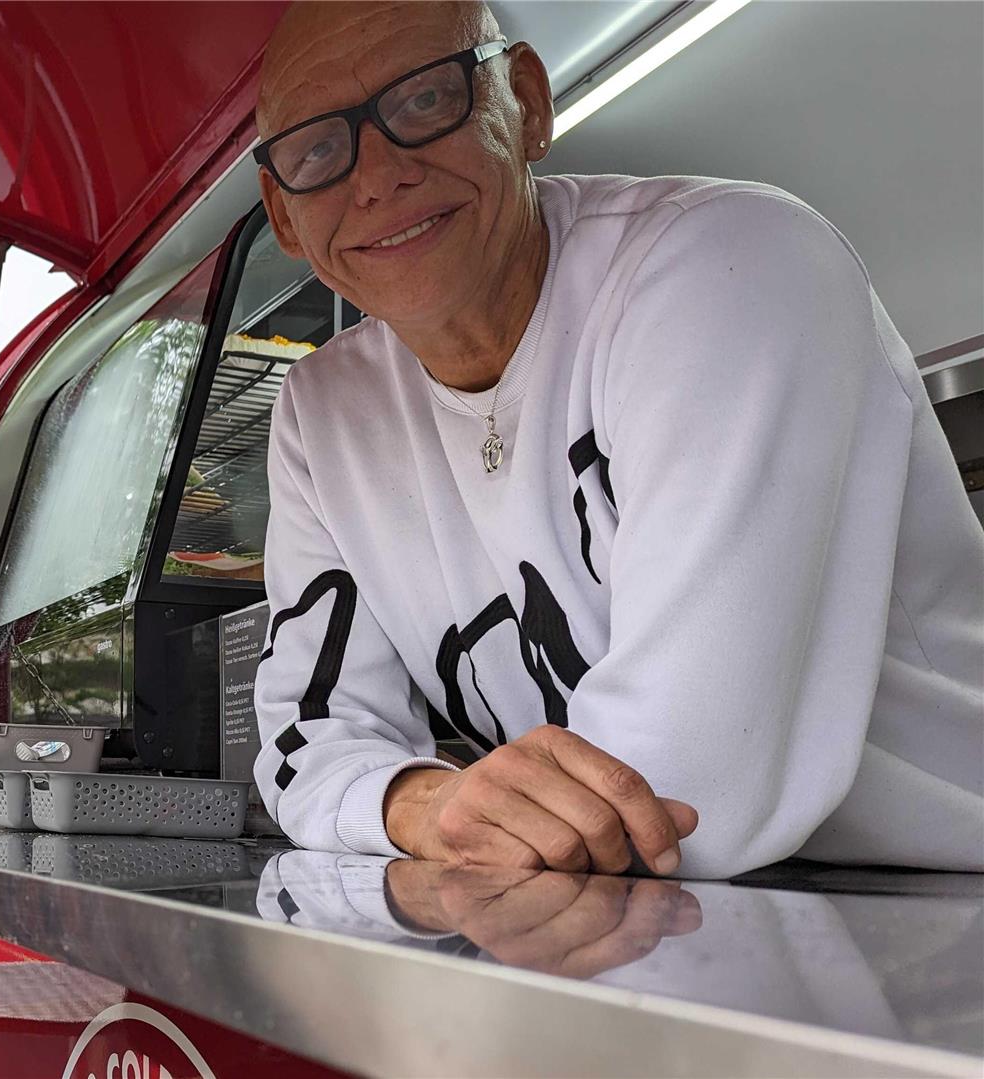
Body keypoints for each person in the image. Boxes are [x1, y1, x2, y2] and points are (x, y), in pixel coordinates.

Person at [250, 1, 984, 879]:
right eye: (317, 153)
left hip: (942, 904)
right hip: (673, 923)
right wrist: (421, 798)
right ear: (284, 216)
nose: (375, 177)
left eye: (422, 101)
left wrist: (452, 807)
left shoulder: (731, 265)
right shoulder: (320, 412)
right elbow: (309, 742)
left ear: (523, 102)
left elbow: (678, 789)